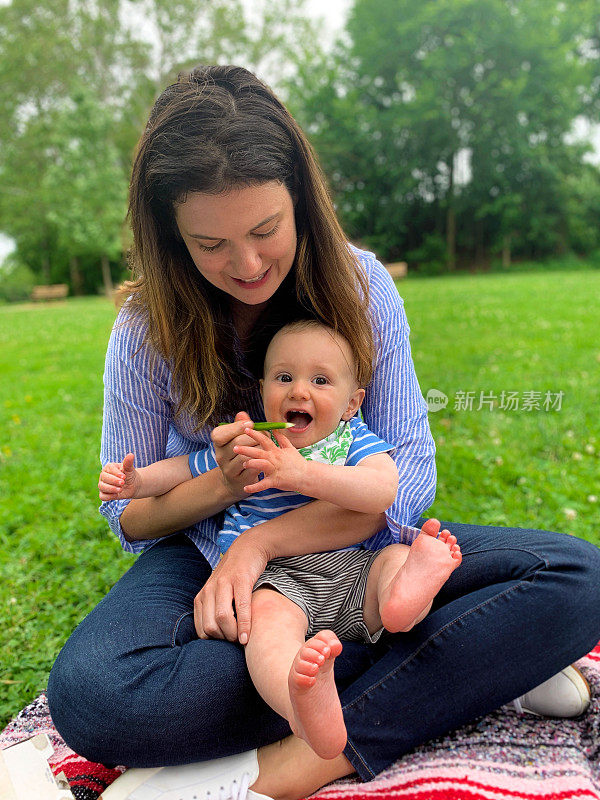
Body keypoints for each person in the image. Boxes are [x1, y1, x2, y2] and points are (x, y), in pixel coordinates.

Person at [47, 65, 600, 800]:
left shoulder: (362, 284)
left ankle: (317, 752)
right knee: (95, 696)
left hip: (355, 538)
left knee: (576, 579)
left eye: (265, 230)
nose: (245, 265)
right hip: (204, 552)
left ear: (301, 201)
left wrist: (263, 542)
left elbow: (408, 478)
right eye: (209, 244)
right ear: (170, 235)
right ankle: (475, 666)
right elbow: (130, 516)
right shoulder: (145, 328)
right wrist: (226, 492)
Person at [97, 319, 463, 760]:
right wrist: (137, 481)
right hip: (276, 582)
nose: (299, 391)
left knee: (395, 559)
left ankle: (401, 602)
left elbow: (383, 490)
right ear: (263, 389)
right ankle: (304, 707)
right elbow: (181, 468)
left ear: (352, 403)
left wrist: (303, 473)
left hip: (353, 566)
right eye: (284, 378)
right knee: (267, 628)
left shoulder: (353, 440)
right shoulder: (254, 443)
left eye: (321, 380)